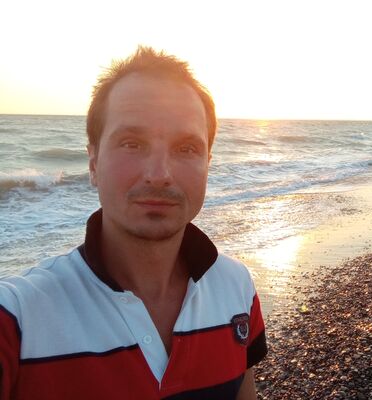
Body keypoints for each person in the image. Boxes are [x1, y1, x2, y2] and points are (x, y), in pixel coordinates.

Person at [0, 46, 267, 399]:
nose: (159, 174)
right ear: (93, 163)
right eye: (131, 143)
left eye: (187, 148)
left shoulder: (236, 287)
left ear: (208, 163)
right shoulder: (18, 318)